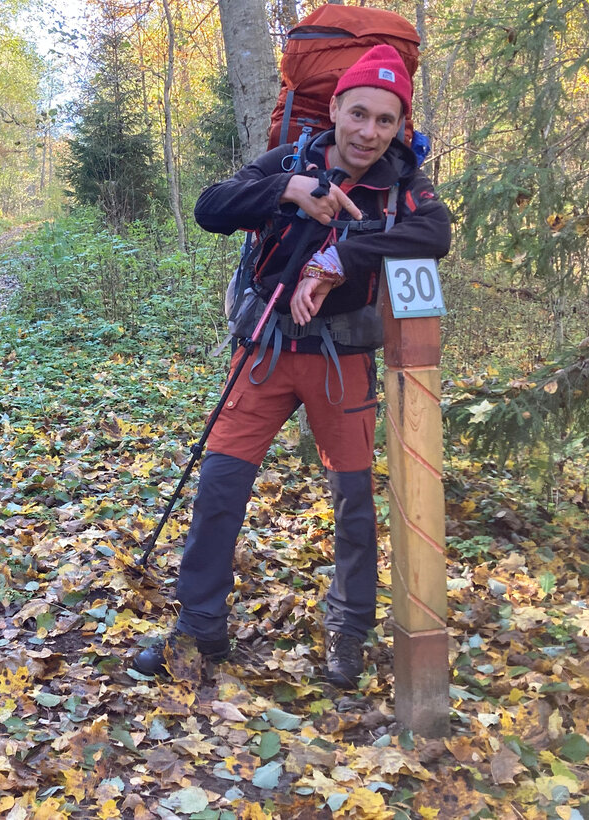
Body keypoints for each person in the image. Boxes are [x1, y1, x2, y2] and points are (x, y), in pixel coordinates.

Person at [132, 44, 452, 688]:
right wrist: (289, 189)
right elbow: (211, 208)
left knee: (353, 504)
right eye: (358, 113)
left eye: (385, 121)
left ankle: (348, 632)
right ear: (335, 107)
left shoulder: (403, 183)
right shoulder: (292, 161)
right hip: (265, 352)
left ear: (401, 127)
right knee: (220, 488)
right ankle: (199, 628)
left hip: (343, 362)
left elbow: (434, 235)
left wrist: (339, 261)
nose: (369, 132)